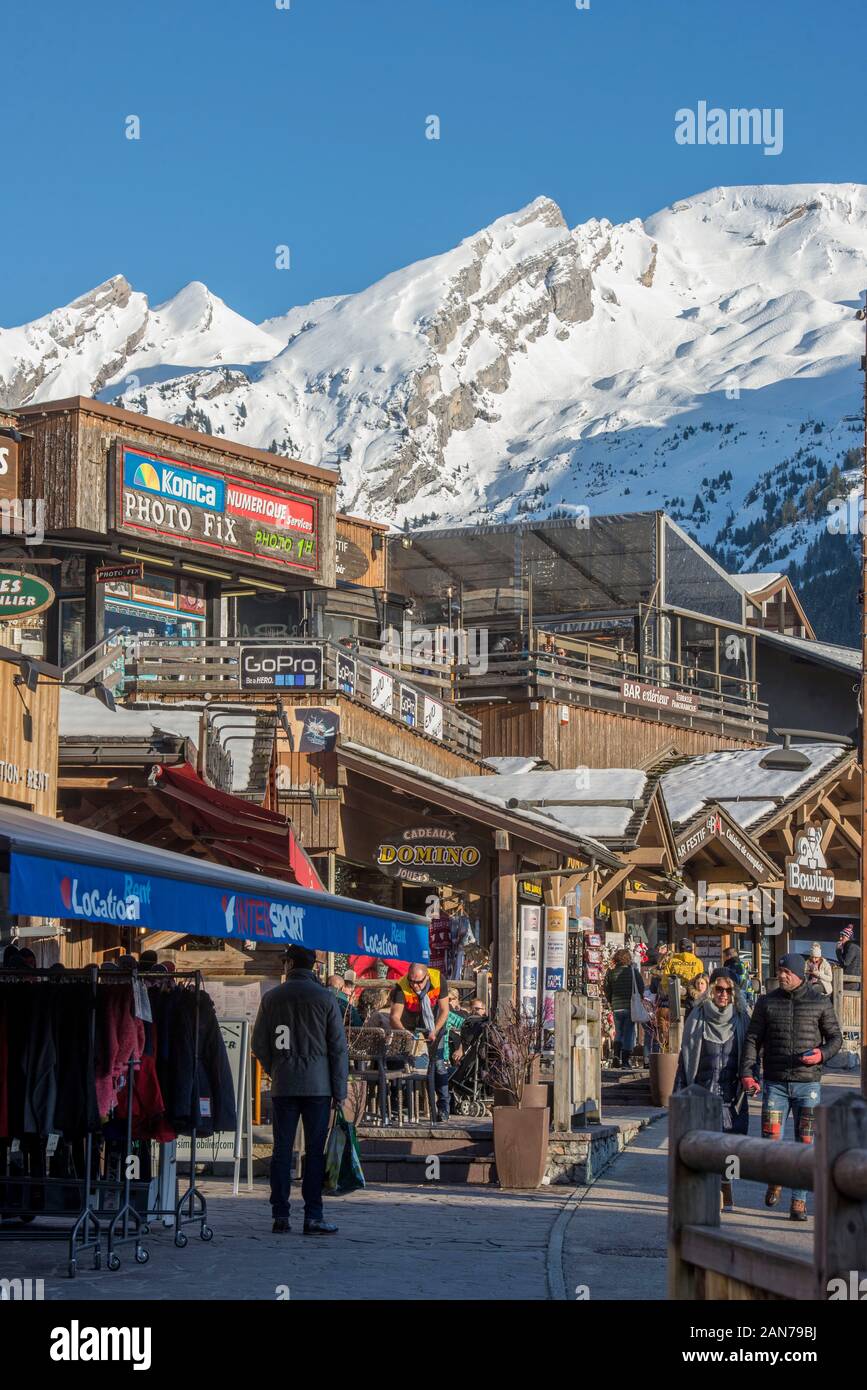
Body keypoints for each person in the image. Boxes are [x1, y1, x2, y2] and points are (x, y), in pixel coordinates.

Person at [252, 945, 348, 1236]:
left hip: (284, 1083)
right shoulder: (326, 999)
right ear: (313, 967)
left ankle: (280, 1214)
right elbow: (338, 1048)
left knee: (282, 1150)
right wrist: (339, 1089)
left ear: (290, 964)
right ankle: (313, 1215)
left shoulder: (272, 998)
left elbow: (259, 1044)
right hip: (318, 1085)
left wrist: (276, 1068)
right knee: (315, 1152)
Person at [740, 953, 842, 1222]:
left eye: (786, 971)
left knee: (805, 1145)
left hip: (808, 1086)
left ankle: (799, 1202)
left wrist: (821, 1055)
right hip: (775, 1083)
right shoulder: (766, 1002)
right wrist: (748, 1073)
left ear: (798, 973)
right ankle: (776, 1179)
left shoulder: (820, 1002)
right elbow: (752, 1040)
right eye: (779, 970)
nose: (781, 975)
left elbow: (835, 1038)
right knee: (771, 1141)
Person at [674, 968, 752, 1211]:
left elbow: (750, 1055)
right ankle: (711, 1190)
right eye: (719, 989)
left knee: (733, 1145)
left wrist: (752, 1077)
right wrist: (680, 1093)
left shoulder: (742, 1018)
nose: (724, 995)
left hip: (732, 1093)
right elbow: (684, 1057)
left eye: (729, 990)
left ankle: (727, 1184)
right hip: (703, 1091)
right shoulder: (697, 1017)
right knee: (706, 1147)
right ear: (710, 990)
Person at [390, 962, 451, 1120]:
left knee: (438, 1064)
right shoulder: (402, 986)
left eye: (419, 982)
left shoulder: (438, 980)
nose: (415, 985)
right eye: (412, 981)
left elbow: (444, 1011)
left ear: (427, 977)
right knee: (403, 1063)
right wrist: (405, 1033)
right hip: (410, 1026)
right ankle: (401, 1106)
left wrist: (434, 1031)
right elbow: (394, 1017)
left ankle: (443, 1107)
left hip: (434, 1024)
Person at [603, 948, 645, 1069]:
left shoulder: (611, 972)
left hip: (616, 1007)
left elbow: (606, 989)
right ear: (628, 958)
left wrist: (611, 1001)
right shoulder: (633, 971)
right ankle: (625, 1061)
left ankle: (616, 1056)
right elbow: (641, 987)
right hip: (630, 1006)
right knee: (628, 1033)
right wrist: (640, 998)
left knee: (619, 1032)